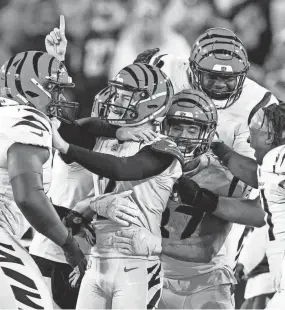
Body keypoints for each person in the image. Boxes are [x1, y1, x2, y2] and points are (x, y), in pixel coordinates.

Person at [82, 89, 266, 309]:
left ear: (208, 133)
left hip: (203, 281)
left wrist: (155, 243)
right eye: (176, 127)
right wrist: (98, 204)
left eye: (192, 129)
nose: (184, 136)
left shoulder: (225, 178)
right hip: (148, 274)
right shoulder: (137, 165)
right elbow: (83, 209)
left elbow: (206, 250)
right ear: (163, 128)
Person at [52, 61, 183, 309]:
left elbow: (122, 168)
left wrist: (67, 148)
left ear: (149, 102)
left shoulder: (164, 146)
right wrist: (115, 131)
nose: (117, 102)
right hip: (98, 259)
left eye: (125, 97)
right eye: (118, 95)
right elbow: (70, 129)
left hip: (138, 261)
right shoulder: (105, 136)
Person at [0, 49, 88, 309]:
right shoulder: (27, 122)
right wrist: (69, 245)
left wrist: (60, 215)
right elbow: (28, 196)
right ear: (34, 87)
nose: (62, 97)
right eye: (55, 89)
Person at [211, 101, 285, 309]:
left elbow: (256, 214)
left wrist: (201, 200)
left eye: (255, 133)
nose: (249, 141)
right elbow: (259, 178)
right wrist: (221, 151)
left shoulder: (276, 159)